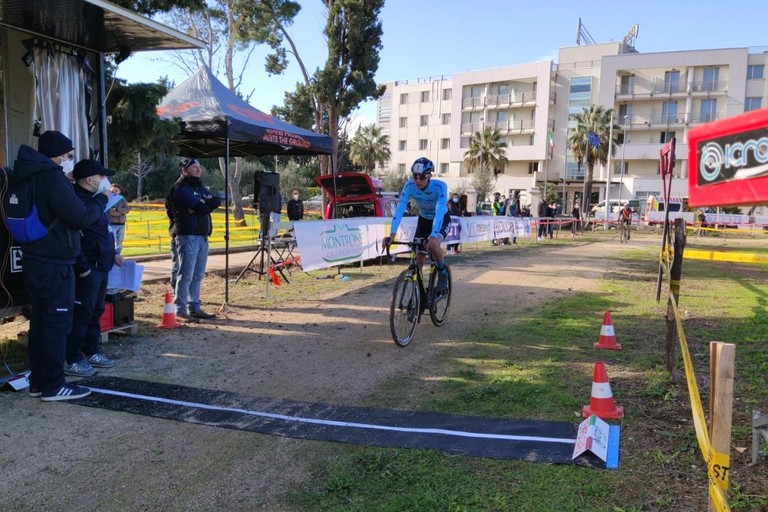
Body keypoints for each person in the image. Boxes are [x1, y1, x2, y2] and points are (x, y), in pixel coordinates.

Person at [10, 131, 108, 401]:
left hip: (35, 257)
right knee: (57, 322)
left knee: (41, 322)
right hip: (55, 262)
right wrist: (101, 199)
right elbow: (80, 217)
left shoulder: (29, 173)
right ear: (58, 154)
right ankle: (54, 384)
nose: (69, 161)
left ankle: (39, 382)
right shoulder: (51, 177)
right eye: (68, 155)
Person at [64, 160, 123, 377]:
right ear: (89, 180)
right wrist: (83, 266)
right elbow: (73, 236)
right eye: (101, 177)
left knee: (96, 310)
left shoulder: (98, 199)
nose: (104, 181)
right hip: (88, 267)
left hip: (102, 264)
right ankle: (73, 357)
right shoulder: (77, 201)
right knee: (81, 313)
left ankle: (90, 351)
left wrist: (113, 253)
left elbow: (104, 231)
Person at [382, 157, 450, 292]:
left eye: (422, 177)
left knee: (434, 244)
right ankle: (418, 292)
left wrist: (433, 235)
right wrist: (392, 234)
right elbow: (400, 209)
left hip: (441, 218)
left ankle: (443, 272)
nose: (418, 180)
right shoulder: (409, 186)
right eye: (415, 176)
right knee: (419, 254)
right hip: (424, 219)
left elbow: (439, 212)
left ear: (429, 175)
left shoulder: (439, 187)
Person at [166, 157, 221, 320]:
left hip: (202, 237)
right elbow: (203, 208)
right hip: (187, 236)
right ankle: (181, 309)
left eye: (199, 166)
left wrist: (203, 203)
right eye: (193, 167)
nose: (198, 169)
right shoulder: (179, 188)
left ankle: (195, 307)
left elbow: (215, 202)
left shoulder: (199, 186)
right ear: (183, 170)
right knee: (186, 274)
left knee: (198, 275)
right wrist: (202, 203)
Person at [108, 183, 130, 254]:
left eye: (116, 190)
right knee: (112, 241)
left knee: (119, 243)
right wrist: (121, 212)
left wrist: (117, 209)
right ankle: (112, 256)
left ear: (119, 191)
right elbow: (110, 212)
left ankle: (118, 256)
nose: (114, 192)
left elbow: (127, 210)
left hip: (122, 225)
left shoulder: (122, 199)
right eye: (112, 191)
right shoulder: (108, 200)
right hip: (112, 224)